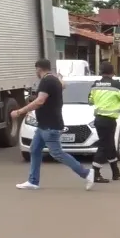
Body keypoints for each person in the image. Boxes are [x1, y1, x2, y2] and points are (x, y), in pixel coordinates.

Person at [12, 59, 95, 191]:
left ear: (39, 69)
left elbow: (40, 101)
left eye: (36, 70)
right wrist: (60, 78)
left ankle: (86, 173)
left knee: (57, 153)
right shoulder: (54, 80)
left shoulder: (46, 81)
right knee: (35, 149)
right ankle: (33, 181)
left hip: (50, 125)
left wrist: (19, 111)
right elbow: (63, 85)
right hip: (43, 125)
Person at [88, 62, 120, 183]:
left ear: (101, 72)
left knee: (110, 144)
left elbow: (90, 101)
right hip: (109, 120)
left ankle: (115, 171)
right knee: (104, 145)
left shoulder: (95, 85)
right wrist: (118, 108)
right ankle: (95, 172)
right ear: (113, 72)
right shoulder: (117, 85)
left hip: (98, 120)